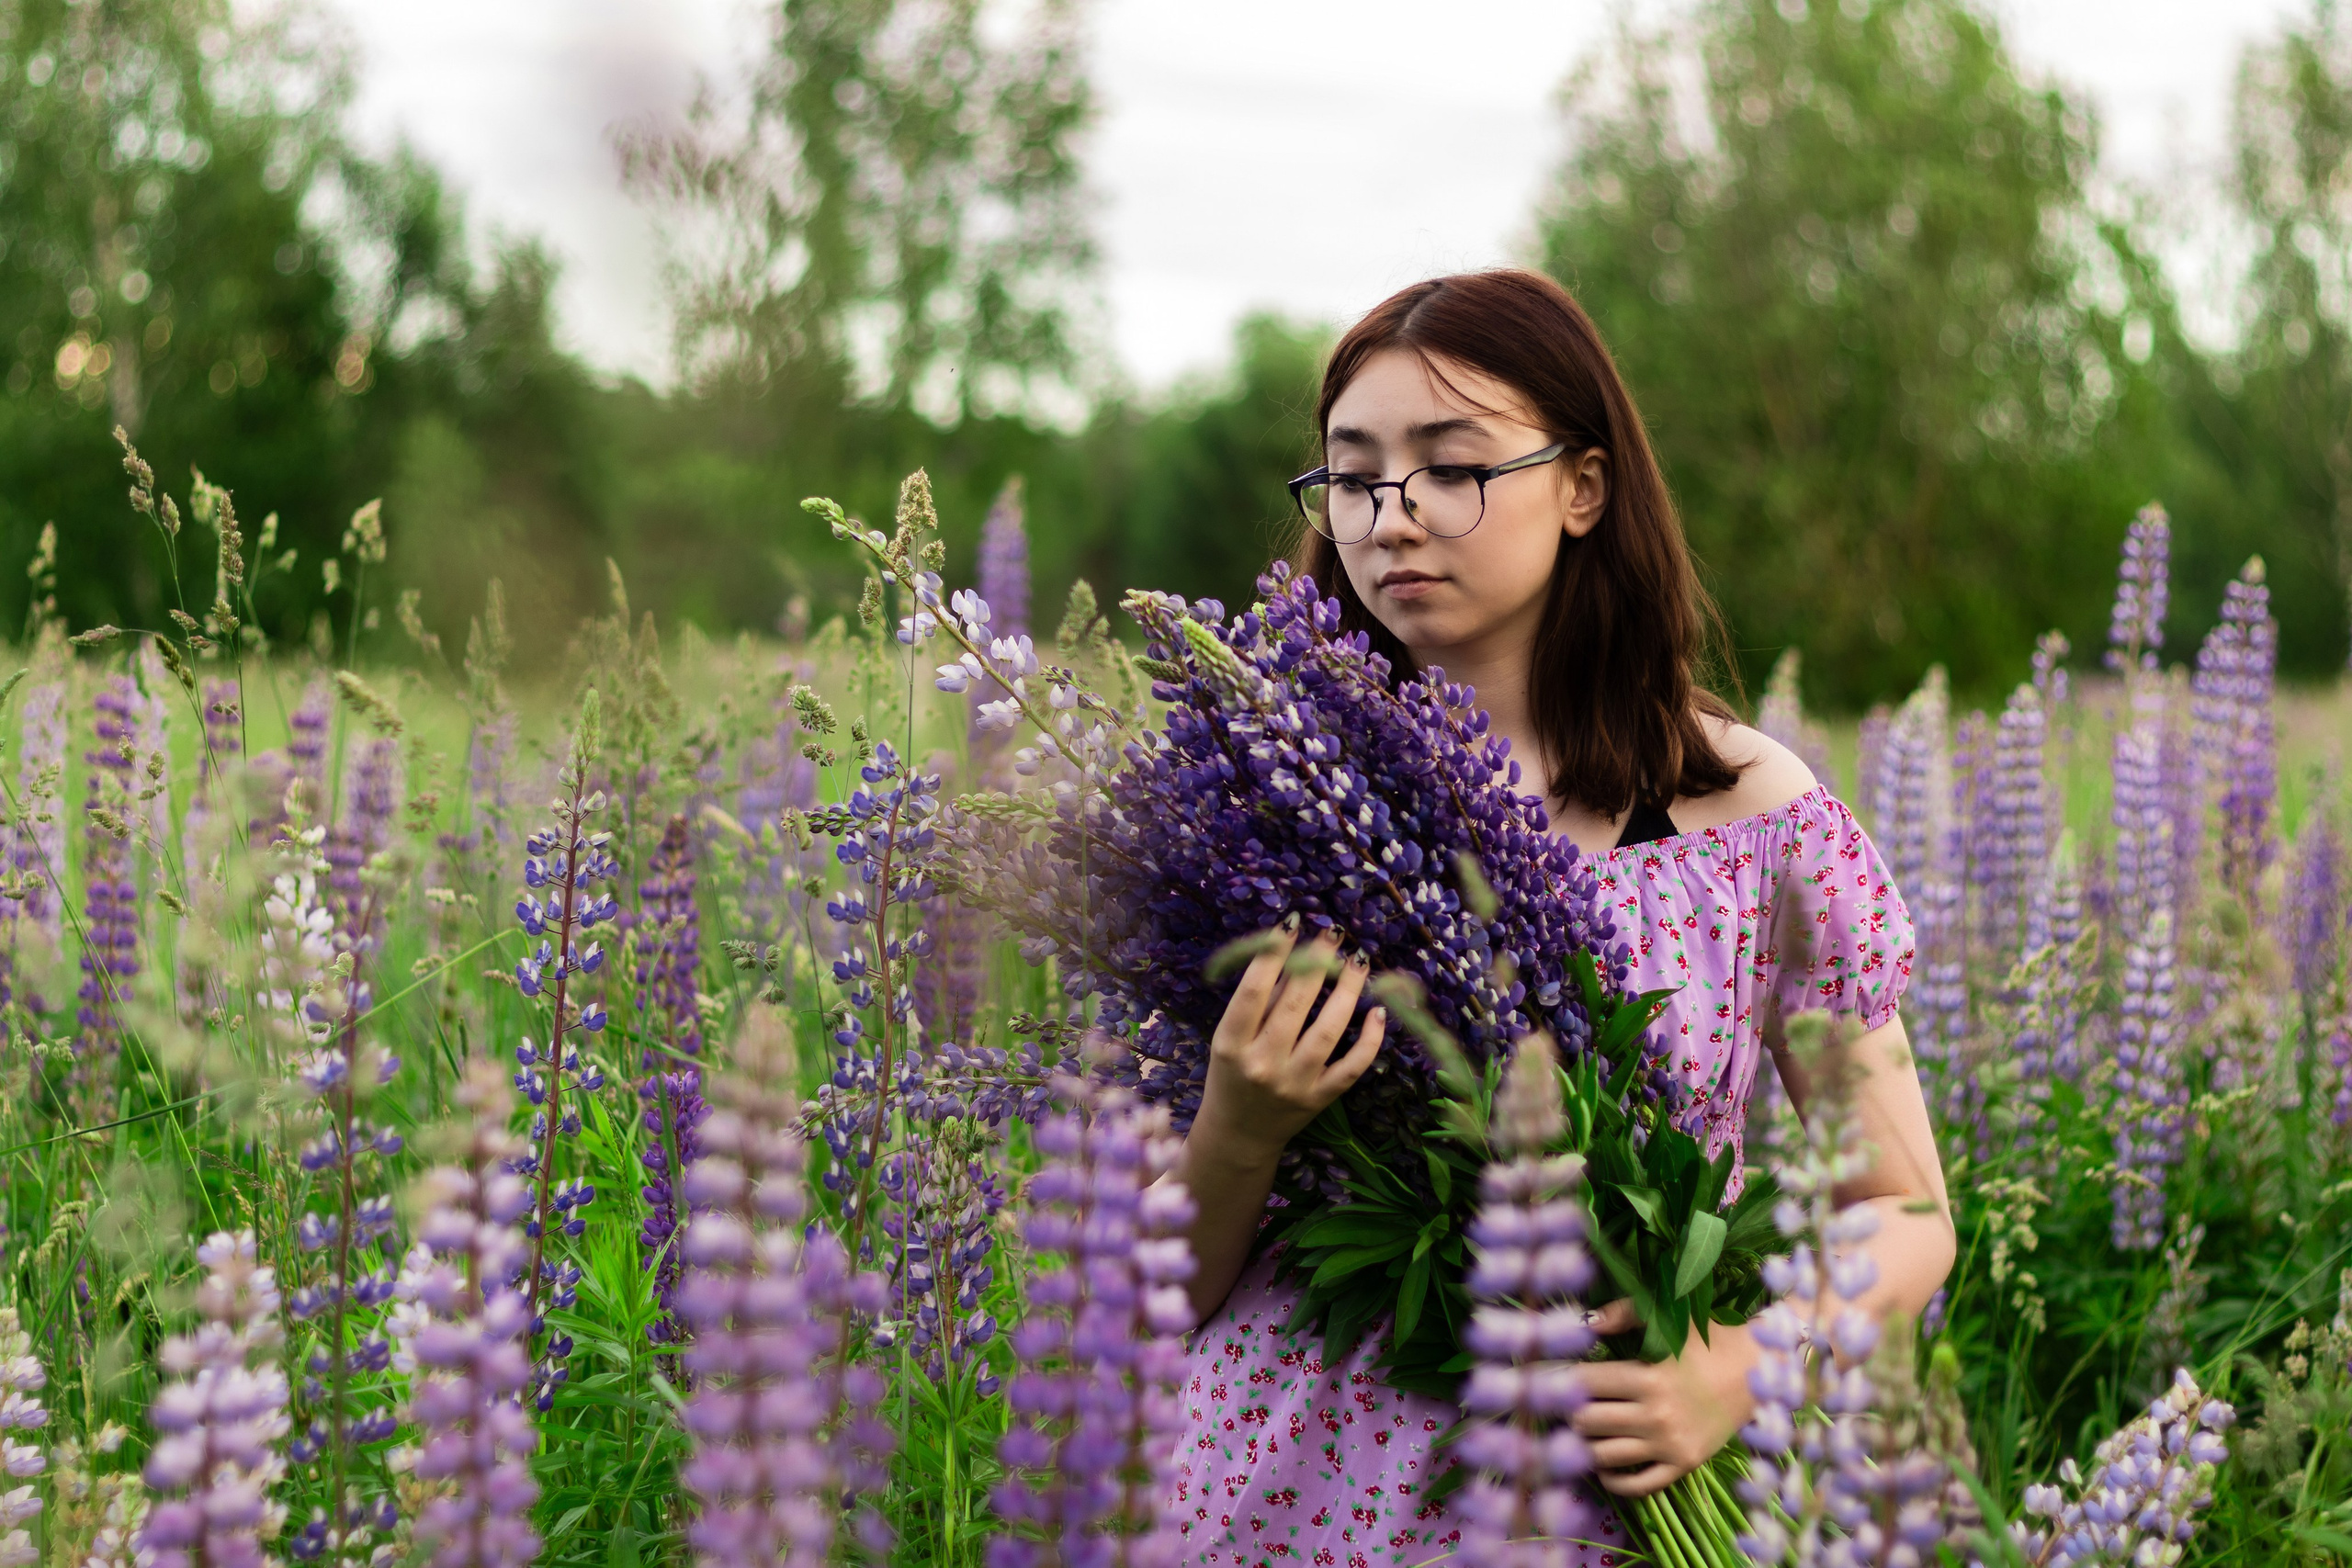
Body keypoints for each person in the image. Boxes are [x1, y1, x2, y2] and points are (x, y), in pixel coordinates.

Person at [1159, 269, 1954, 1567]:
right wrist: (1237, 1132)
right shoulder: (1255, 817)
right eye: (1353, 478)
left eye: (1452, 467)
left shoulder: (1745, 815)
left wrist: (1743, 1367)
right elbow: (1152, 1293)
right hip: (1282, 1500)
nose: (1392, 518)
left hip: (1625, 1484)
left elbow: (1910, 1215)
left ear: (1582, 486)